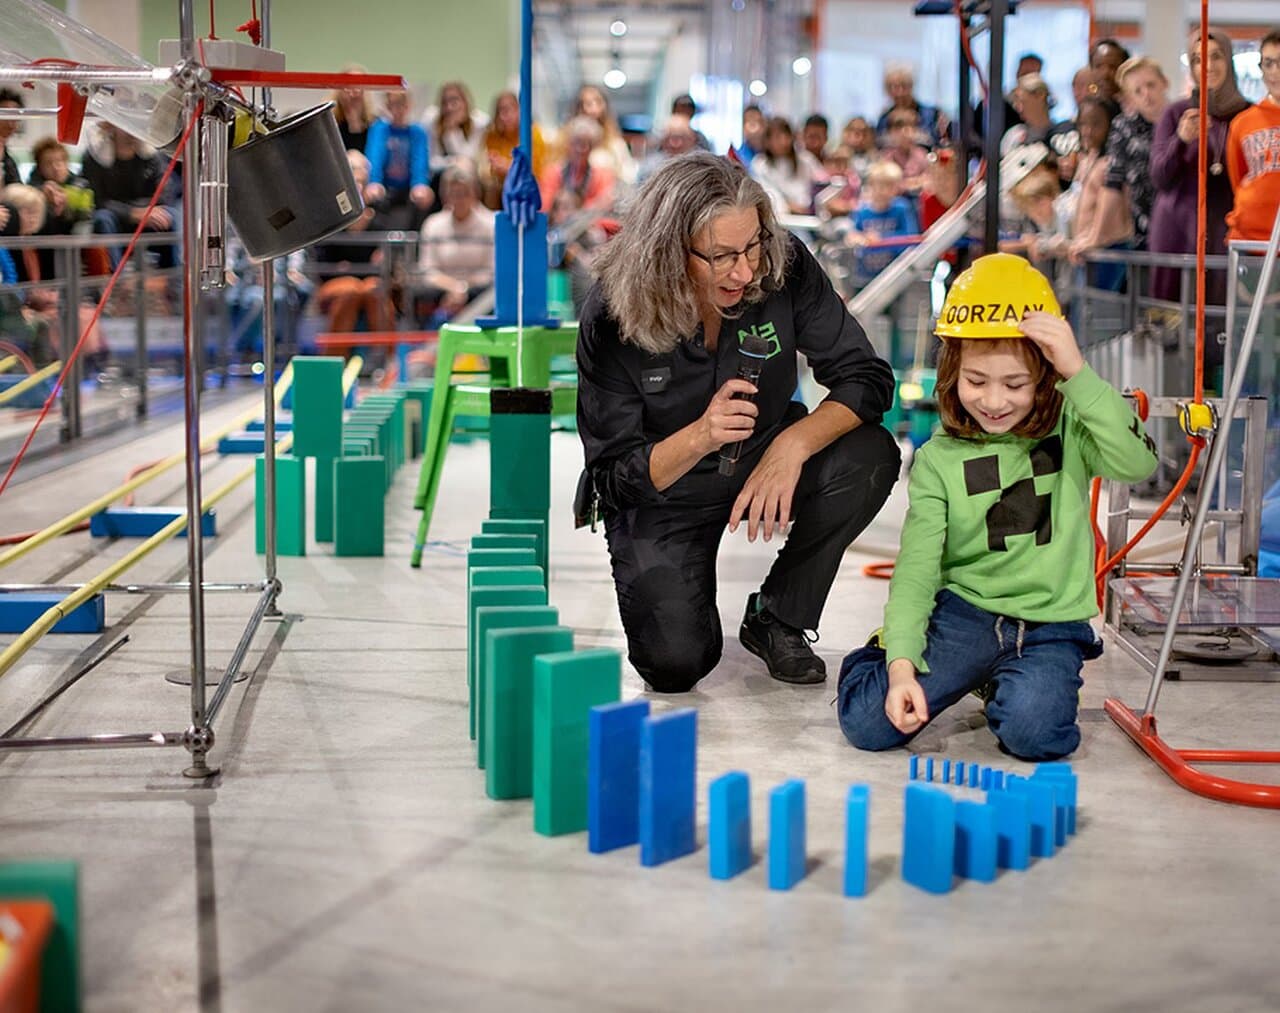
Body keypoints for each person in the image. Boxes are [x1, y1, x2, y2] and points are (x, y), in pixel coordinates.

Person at [576, 151, 899, 692]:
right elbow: (613, 478)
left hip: (763, 457)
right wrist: (702, 434)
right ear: (669, 252)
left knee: (870, 455)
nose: (745, 271)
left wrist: (793, 445)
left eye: (752, 246)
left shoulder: (783, 264)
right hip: (664, 489)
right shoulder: (613, 313)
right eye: (722, 256)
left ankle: (779, 616)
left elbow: (865, 377)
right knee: (674, 664)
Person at [836, 253, 1158, 760]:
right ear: (951, 372)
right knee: (868, 723)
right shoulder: (939, 459)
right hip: (966, 616)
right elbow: (917, 570)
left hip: (1052, 625)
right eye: (976, 381)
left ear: (1045, 377)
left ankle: (1003, 681)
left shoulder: (1073, 426)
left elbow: (1138, 462)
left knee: (1036, 736)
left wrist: (1078, 371)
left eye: (1015, 384)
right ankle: (886, 653)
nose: (993, 401)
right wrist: (900, 664)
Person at [1149, 28, 1251, 310]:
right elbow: (1159, 176)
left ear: (1229, 60)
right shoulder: (1176, 113)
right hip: (1177, 233)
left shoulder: (1247, 115)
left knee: (1224, 317)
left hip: (1225, 234)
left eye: (1216, 57)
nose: (1207, 66)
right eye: (1197, 59)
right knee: (1171, 320)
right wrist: (1180, 140)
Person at [1085, 56, 1168, 255]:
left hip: (1185, 229)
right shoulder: (1124, 127)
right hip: (1144, 235)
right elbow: (1112, 184)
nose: (1146, 94)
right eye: (1137, 91)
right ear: (1129, 98)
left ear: (1164, 83)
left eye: (1151, 85)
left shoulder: (1183, 120)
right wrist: (1095, 237)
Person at [413, 163, 494, 325]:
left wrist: (464, 289)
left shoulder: (491, 224)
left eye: (465, 193)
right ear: (445, 196)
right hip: (441, 291)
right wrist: (453, 288)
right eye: (455, 194)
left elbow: (491, 271)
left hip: (478, 291)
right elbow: (428, 270)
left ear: (475, 194)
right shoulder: (433, 224)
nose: (460, 199)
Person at [1225, 29, 1280, 243]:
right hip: (1250, 237)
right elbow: (1237, 178)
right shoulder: (1243, 122)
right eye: (1268, 63)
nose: (1275, 71)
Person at [364, 89, 433, 232]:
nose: (398, 109)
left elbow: (420, 160)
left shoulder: (417, 131)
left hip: (408, 188)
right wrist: (374, 181)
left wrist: (419, 183)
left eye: (402, 104)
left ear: (409, 105)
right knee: (372, 194)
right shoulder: (379, 129)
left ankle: (416, 239)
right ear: (388, 106)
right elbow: (375, 156)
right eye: (394, 104)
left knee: (423, 196)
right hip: (386, 187)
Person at [479, 90, 547, 211]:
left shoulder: (532, 133)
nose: (503, 116)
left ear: (518, 111)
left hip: (529, 185)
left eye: (508, 110)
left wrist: (509, 167)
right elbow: (488, 167)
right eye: (499, 112)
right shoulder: (492, 136)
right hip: (501, 186)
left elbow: (536, 170)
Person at [751, 116, 824, 215]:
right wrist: (789, 206)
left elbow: (822, 183)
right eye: (777, 138)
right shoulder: (760, 164)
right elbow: (767, 194)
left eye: (786, 136)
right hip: (780, 216)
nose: (783, 141)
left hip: (810, 215)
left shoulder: (805, 159)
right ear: (767, 141)